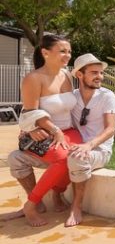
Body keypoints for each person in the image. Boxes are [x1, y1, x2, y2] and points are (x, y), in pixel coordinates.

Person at [2, 34, 83, 226]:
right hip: (46, 134)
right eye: (62, 51)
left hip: (70, 131)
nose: (67, 55)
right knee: (63, 159)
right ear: (45, 53)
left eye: (69, 51)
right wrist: (54, 130)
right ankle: (31, 205)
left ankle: (57, 193)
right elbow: (31, 111)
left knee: (76, 157)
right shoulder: (33, 78)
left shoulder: (67, 76)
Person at [64, 53, 115, 227]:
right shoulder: (72, 97)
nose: (100, 77)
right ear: (80, 75)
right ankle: (43, 200)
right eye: (94, 72)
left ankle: (76, 207)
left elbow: (110, 129)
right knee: (18, 158)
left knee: (77, 157)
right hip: (76, 145)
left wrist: (88, 145)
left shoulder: (106, 96)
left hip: (99, 150)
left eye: (101, 73)